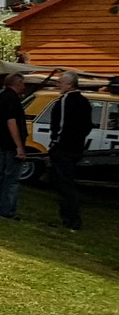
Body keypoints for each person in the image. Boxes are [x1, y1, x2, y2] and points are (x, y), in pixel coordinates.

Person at [46, 69, 91, 232]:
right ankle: (69, 216)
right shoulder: (85, 102)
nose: (58, 85)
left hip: (64, 148)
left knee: (64, 184)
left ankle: (71, 218)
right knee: (67, 182)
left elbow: (61, 125)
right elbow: (87, 126)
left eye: (60, 82)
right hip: (76, 148)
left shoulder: (66, 101)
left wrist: (55, 143)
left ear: (70, 84)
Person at [0, 70, 30, 219]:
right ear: (18, 84)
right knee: (11, 178)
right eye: (23, 83)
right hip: (11, 143)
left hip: (1, 141)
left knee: (0, 174)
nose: (24, 86)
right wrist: (19, 146)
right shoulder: (13, 100)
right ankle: (7, 209)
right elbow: (12, 122)